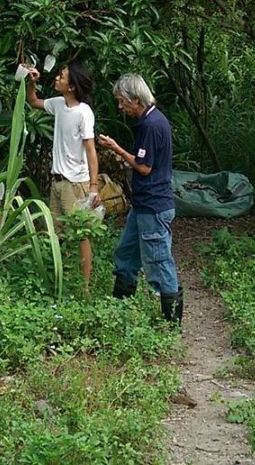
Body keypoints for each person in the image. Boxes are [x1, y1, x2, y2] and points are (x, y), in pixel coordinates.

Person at [96, 73, 182, 324]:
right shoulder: (152, 120)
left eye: (122, 102)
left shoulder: (150, 125)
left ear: (136, 99)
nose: (121, 107)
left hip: (153, 206)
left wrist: (116, 149)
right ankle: (120, 309)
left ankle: (171, 321)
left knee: (158, 260)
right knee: (125, 253)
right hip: (144, 205)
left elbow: (144, 168)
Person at [25, 60, 102, 284]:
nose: (57, 78)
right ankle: (66, 279)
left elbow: (91, 151)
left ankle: (85, 286)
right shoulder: (58, 104)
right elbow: (33, 101)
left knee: (80, 234)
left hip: (74, 183)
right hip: (57, 181)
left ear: (72, 86)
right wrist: (32, 83)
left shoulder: (83, 113)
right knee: (59, 234)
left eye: (62, 76)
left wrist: (93, 187)